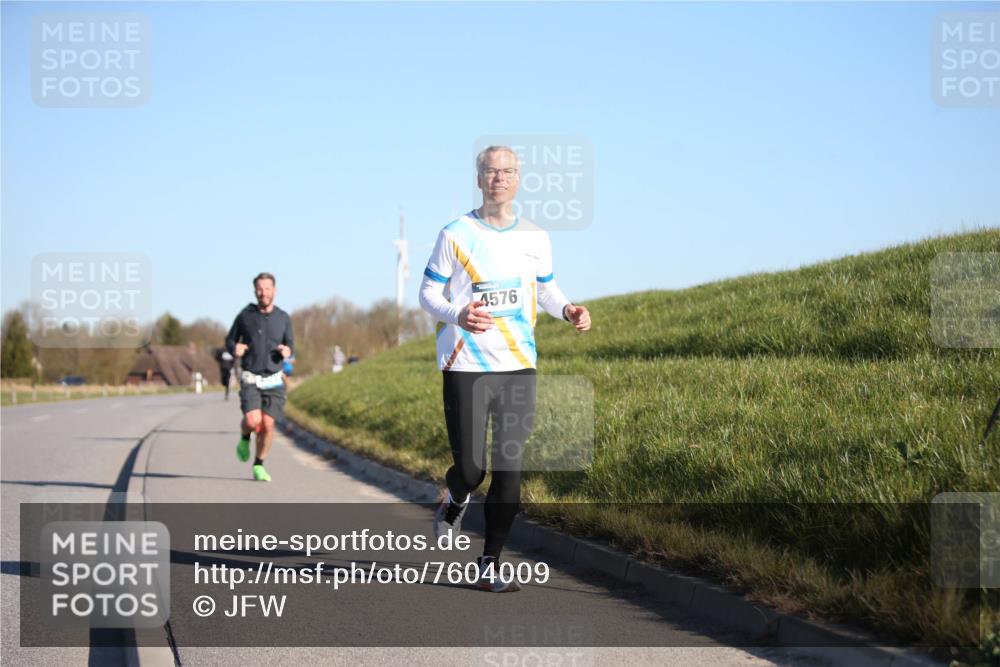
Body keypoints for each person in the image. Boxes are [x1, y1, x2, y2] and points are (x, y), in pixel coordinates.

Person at [418, 145, 591, 592]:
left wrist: (569, 309)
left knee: (509, 467)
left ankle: (489, 564)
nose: (499, 178)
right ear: (479, 179)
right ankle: (456, 497)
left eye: (507, 171)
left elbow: (547, 289)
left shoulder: (535, 237)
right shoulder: (455, 233)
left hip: (517, 366)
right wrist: (458, 315)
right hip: (466, 366)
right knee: (473, 470)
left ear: (518, 179)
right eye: (491, 171)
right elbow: (428, 295)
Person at [225, 272, 295, 482]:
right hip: (251, 377)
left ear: (275, 291)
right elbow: (229, 340)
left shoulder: (283, 318)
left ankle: (259, 464)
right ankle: (245, 438)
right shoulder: (245, 316)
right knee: (252, 419)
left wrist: (286, 351)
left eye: (267, 288)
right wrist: (234, 347)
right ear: (255, 291)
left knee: (268, 424)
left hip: (274, 380)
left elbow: (291, 345)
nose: (263, 293)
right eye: (260, 289)